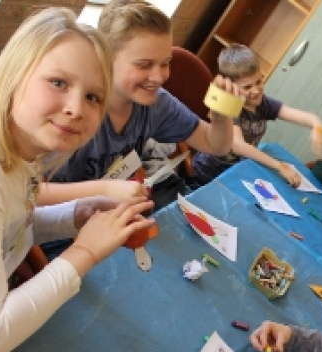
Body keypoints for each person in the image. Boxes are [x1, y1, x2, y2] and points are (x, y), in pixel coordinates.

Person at [0, 7, 155, 352]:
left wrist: (76, 216)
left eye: (92, 97)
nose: (76, 108)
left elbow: (6, 227)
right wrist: (85, 252)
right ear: (15, 74)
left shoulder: (19, 147)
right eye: (58, 83)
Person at [38, 0, 236, 211]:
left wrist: (221, 117)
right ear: (105, 59)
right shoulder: (72, 110)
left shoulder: (156, 103)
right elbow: (28, 193)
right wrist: (104, 190)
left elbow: (215, 145)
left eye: (165, 63)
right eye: (144, 65)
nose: (158, 77)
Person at [190, 43, 322, 188]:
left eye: (259, 82)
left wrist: (317, 126)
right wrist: (279, 166)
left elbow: (299, 115)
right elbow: (238, 146)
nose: (256, 91)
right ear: (231, 87)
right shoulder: (230, 107)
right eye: (247, 87)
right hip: (209, 173)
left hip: (236, 169)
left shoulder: (263, 104)